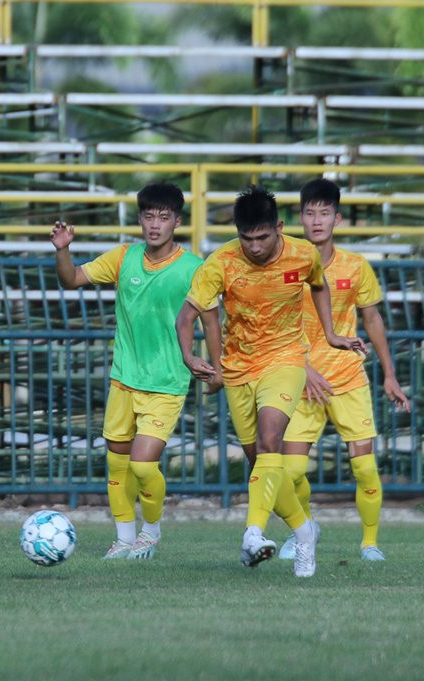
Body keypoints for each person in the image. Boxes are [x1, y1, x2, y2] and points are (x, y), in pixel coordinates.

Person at [175, 185, 366, 578]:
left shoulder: (302, 253)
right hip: (239, 368)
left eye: (263, 237)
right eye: (247, 238)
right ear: (237, 232)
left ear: (279, 227)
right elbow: (186, 317)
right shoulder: (220, 263)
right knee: (262, 467)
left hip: (285, 359)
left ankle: (252, 533)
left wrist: (329, 334)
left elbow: (318, 285)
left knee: (269, 444)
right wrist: (190, 356)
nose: (256, 246)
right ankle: (304, 531)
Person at [52, 182, 219, 560]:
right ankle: (124, 538)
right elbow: (71, 278)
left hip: (167, 382)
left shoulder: (194, 268)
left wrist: (215, 368)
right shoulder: (124, 257)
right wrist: (63, 251)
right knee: (116, 462)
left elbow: (211, 320)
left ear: (177, 221)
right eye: (148, 217)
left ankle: (151, 531)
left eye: (163, 217)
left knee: (144, 465)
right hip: (124, 378)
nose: (155, 225)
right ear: (140, 220)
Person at [277, 178, 410, 562]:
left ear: (336, 218)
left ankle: (370, 544)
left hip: (348, 378)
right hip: (301, 380)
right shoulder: (286, 264)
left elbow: (372, 318)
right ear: (299, 218)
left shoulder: (356, 266)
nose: (316, 221)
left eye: (324, 213)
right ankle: (305, 531)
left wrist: (389, 374)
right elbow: (276, 324)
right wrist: (302, 367)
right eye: (309, 213)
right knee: (292, 471)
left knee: (365, 468)